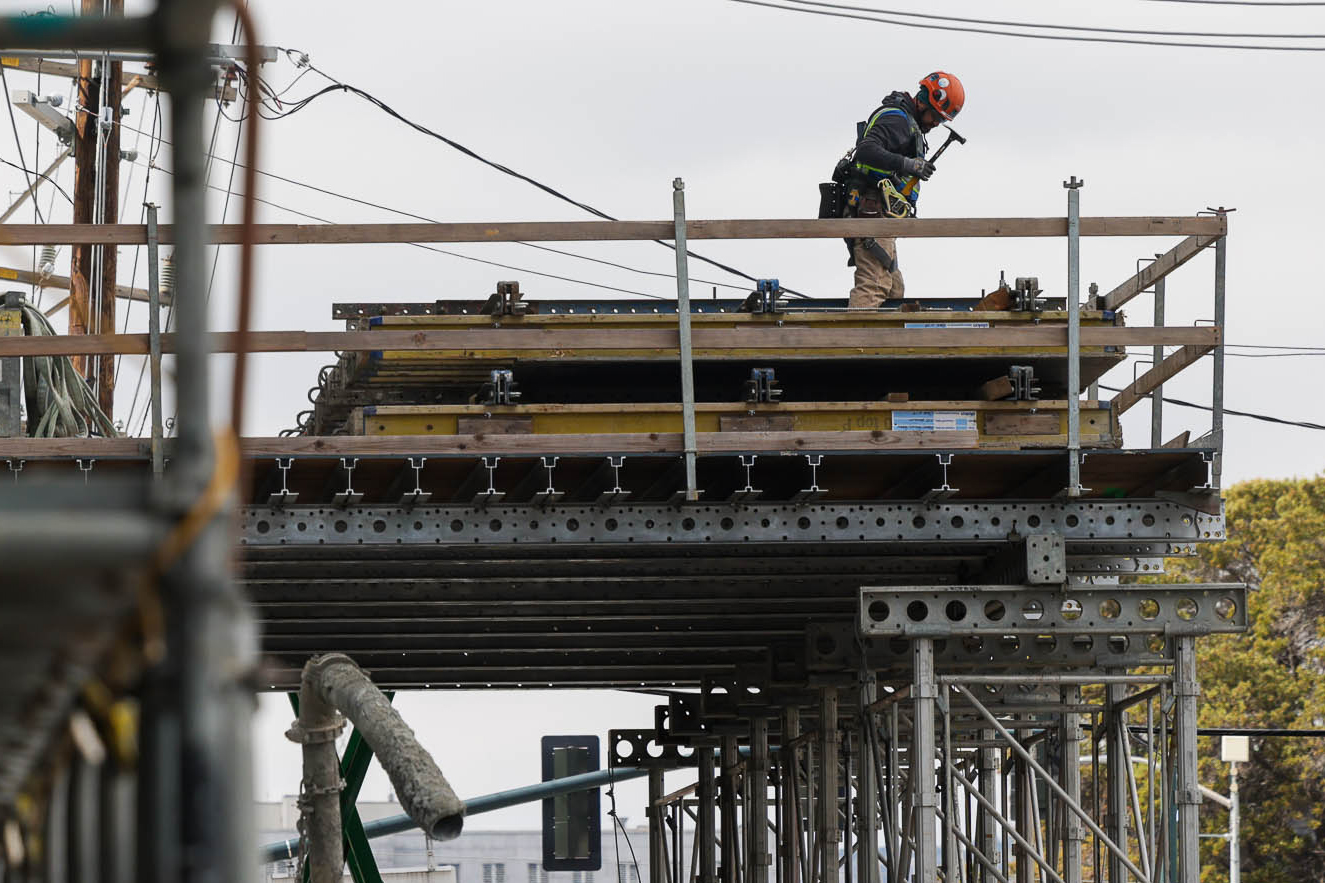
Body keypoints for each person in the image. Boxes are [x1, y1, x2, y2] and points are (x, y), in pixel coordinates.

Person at [842, 71, 965, 308]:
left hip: (880, 218)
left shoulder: (908, 124)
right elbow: (866, 150)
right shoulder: (897, 120)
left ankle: (880, 344)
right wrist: (907, 164)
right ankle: (856, 343)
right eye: (935, 117)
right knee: (874, 286)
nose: (935, 124)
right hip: (872, 214)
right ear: (924, 101)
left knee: (894, 290)